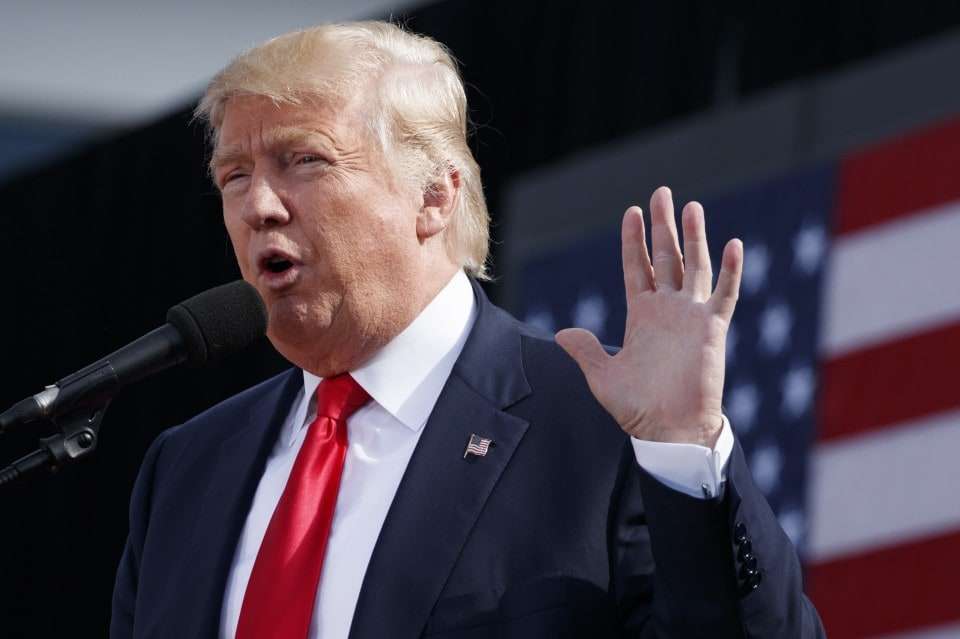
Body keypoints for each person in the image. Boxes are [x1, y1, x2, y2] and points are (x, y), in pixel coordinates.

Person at [110, 21, 824, 639]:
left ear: (434, 195)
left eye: (305, 159)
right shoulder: (187, 469)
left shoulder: (604, 427)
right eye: (234, 174)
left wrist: (683, 454)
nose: (258, 204)